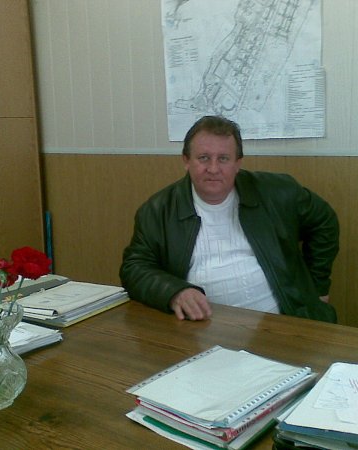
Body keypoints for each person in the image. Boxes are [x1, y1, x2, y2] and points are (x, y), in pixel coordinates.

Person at [120, 115, 339, 323]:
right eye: (204, 158)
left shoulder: (277, 192)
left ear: (237, 163)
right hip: (200, 327)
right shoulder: (158, 210)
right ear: (186, 161)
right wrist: (174, 292)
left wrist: (317, 286)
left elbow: (325, 222)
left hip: (282, 321)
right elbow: (134, 267)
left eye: (223, 159)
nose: (213, 169)